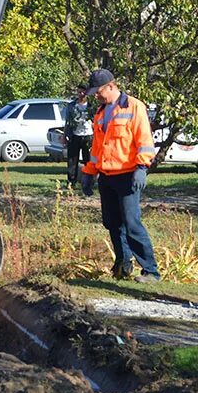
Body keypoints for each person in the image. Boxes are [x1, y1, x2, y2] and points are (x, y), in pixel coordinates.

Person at [80, 69, 161, 283]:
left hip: (127, 176)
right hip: (107, 177)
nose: (96, 96)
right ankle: (123, 265)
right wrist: (89, 172)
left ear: (111, 86)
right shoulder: (100, 113)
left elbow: (144, 140)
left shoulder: (134, 107)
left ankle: (151, 271)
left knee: (132, 223)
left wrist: (142, 168)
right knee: (112, 222)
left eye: (98, 92)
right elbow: (97, 148)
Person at [64, 83, 93, 187]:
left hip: (88, 135)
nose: (81, 94)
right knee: (72, 159)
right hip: (74, 135)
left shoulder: (91, 106)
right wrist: (65, 135)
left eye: (83, 92)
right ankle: (71, 181)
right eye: (79, 92)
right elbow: (67, 122)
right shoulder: (71, 106)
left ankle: (89, 181)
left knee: (88, 160)